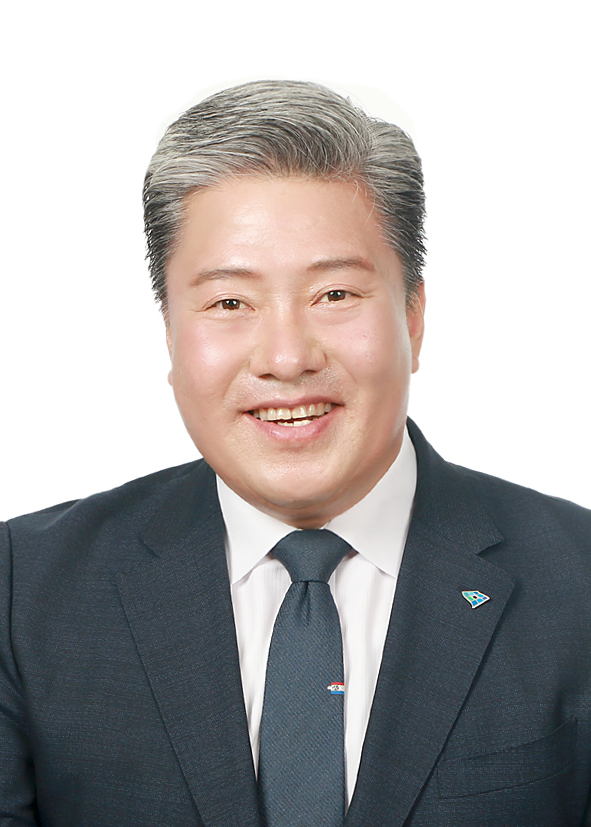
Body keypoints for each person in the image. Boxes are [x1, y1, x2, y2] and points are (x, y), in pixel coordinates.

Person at [1, 80, 590, 827]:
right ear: (170, 332)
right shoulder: (24, 590)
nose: (285, 358)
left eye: (334, 295)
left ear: (413, 316)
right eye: (229, 303)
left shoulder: (576, 582)